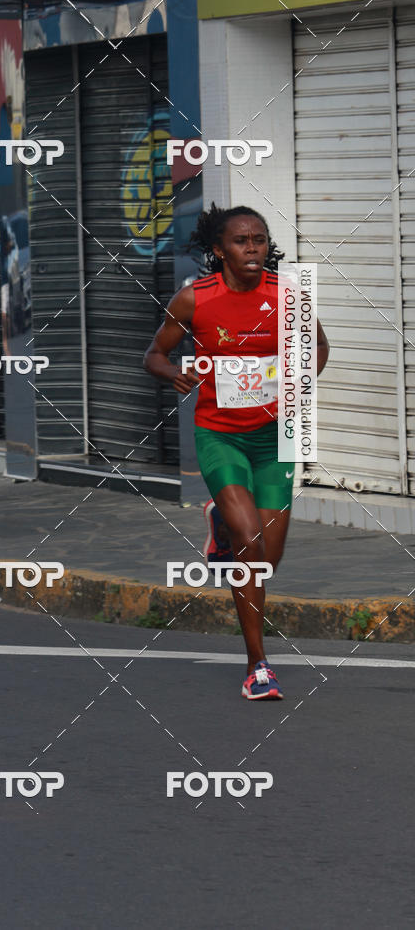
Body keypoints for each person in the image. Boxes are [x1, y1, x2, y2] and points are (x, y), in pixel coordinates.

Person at [143, 204, 329, 700]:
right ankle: (257, 665)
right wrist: (173, 372)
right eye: (242, 240)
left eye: (260, 240)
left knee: (266, 559)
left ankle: (220, 525)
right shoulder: (194, 299)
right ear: (219, 250)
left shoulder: (287, 295)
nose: (253, 248)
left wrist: (298, 380)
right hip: (220, 434)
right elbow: (154, 353)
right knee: (250, 540)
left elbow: (318, 347)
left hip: (276, 436)